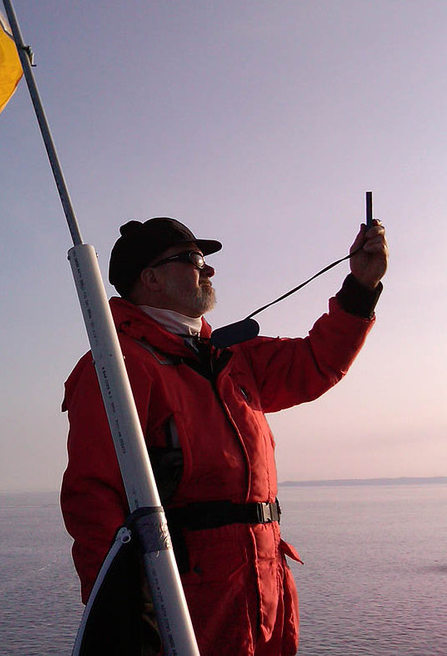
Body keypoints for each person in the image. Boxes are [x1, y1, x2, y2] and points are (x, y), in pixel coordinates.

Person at [61, 216, 388, 655]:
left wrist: (361, 287)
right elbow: (92, 497)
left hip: (263, 594)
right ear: (150, 278)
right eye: (193, 259)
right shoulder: (119, 367)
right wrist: (126, 618)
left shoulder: (232, 358)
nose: (208, 270)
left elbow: (316, 362)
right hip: (192, 608)